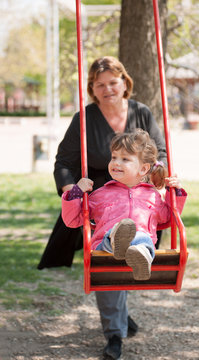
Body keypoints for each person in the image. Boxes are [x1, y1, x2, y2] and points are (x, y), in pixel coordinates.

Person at [38, 56, 168, 359]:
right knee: (107, 261)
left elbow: (159, 153)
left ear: (125, 82)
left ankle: (118, 317)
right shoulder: (84, 118)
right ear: (92, 89)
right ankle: (114, 333)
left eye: (113, 82)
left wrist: (159, 179)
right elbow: (64, 163)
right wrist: (72, 190)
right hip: (102, 200)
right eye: (100, 85)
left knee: (131, 250)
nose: (107, 88)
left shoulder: (142, 113)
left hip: (139, 200)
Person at [62, 129, 187, 359]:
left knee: (141, 237)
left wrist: (175, 191)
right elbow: (72, 220)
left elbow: (170, 218)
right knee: (118, 237)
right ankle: (114, 337)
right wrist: (76, 192)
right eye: (114, 157)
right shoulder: (99, 194)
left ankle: (136, 250)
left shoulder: (152, 197)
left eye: (125, 159)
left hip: (141, 248)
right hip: (105, 253)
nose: (116, 163)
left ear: (143, 169)